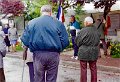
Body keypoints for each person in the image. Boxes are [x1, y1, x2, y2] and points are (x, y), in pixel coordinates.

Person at [21, 5, 69, 82]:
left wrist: (32, 46)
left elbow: (25, 40)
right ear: (51, 12)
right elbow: (65, 41)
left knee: (38, 78)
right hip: (53, 54)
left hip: (38, 54)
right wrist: (59, 49)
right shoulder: (58, 23)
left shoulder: (32, 23)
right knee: (52, 78)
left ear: (41, 12)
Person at [75, 17, 100, 82]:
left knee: (83, 69)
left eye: (84, 22)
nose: (84, 23)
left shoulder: (82, 30)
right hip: (94, 51)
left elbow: (77, 42)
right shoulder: (97, 30)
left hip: (83, 52)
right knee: (93, 68)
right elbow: (98, 42)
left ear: (86, 22)